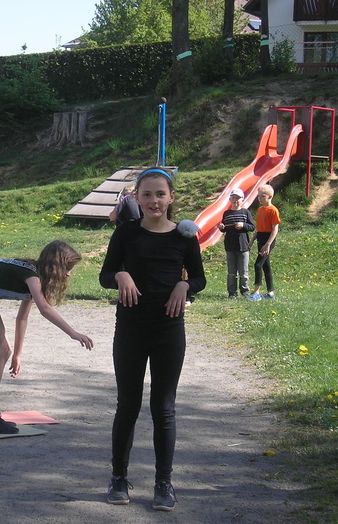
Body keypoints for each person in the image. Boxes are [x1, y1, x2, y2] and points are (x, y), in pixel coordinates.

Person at [99, 167, 205, 511]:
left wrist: (184, 285)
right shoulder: (126, 233)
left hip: (169, 330)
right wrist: (121, 275)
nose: (154, 200)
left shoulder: (184, 237)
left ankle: (164, 483)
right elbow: (104, 275)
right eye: (147, 194)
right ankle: (118, 478)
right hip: (130, 329)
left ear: (171, 197)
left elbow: (200, 279)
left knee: (164, 407)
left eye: (160, 194)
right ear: (137, 198)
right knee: (127, 405)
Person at [0, 240, 94, 434]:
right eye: (67, 268)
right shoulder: (33, 277)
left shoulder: (35, 278)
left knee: (3, 352)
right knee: (1, 352)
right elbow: (45, 309)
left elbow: (21, 318)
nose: (69, 274)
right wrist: (73, 333)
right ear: (55, 266)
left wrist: (17, 355)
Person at [217, 188, 255, 298]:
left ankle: (245, 292)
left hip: (243, 246)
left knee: (243, 272)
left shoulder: (245, 212)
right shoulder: (226, 213)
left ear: (242, 200)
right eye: (233, 198)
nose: (235, 200)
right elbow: (224, 228)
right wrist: (221, 227)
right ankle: (232, 293)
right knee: (231, 272)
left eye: (238, 198)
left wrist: (243, 225)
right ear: (230, 200)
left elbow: (252, 227)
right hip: (230, 246)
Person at [248, 184, 281, 301]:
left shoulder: (273, 210)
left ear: (270, 197)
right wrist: (252, 240)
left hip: (268, 239)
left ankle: (256, 292)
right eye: (259, 196)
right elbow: (258, 228)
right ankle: (270, 292)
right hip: (260, 238)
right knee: (266, 265)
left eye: (263, 196)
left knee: (258, 265)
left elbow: (275, 229)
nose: (259, 198)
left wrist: (268, 244)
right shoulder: (260, 209)